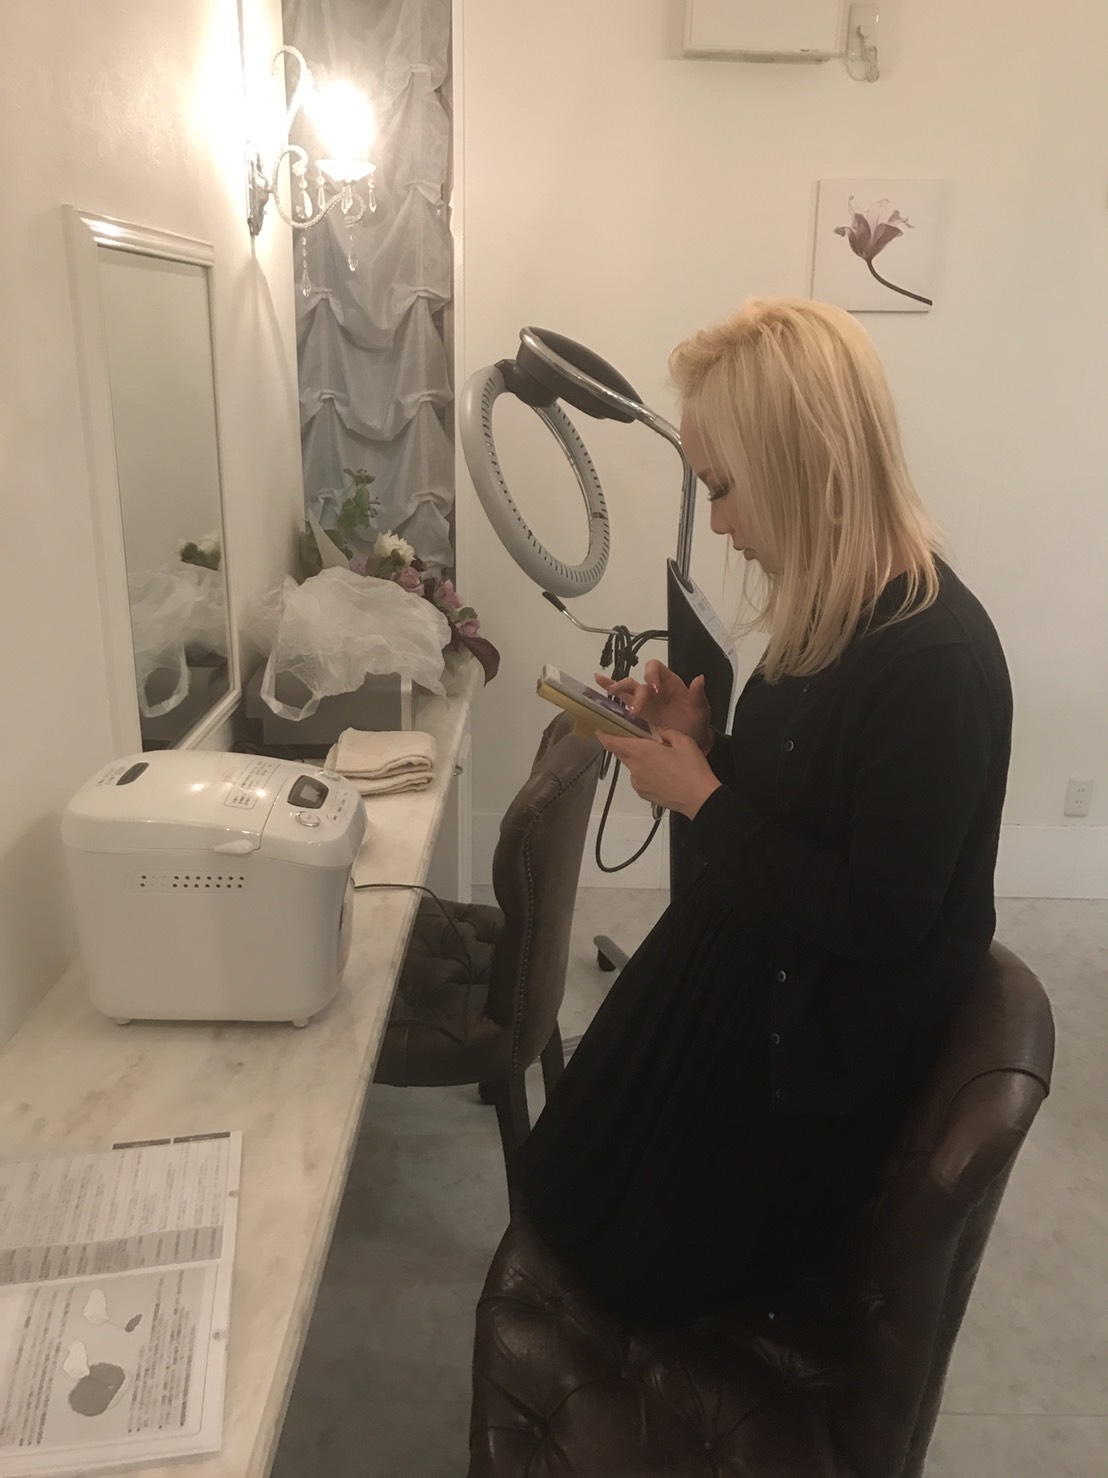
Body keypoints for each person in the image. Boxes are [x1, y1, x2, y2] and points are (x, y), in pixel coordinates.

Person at [512, 297, 1013, 1325]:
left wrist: (702, 798)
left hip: (814, 1058)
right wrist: (703, 740)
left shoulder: (934, 665)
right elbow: (806, 798)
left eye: (722, 488)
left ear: (802, 464)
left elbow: (879, 917)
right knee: (563, 1181)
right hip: (760, 967)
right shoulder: (833, 610)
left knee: (608, 1242)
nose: (721, 523)